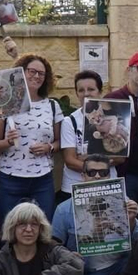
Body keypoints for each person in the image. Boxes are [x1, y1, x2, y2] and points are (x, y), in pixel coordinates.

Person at [49, 154, 138, 275]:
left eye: (103, 173)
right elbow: (53, 246)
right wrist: (69, 255)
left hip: (119, 264)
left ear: (110, 176)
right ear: (82, 176)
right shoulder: (64, 209)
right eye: (91, 173)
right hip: (89, 271)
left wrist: (132, 221)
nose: (97, 176)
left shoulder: (123, 202)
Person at [0, 54, 63, 225]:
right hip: (9, 179)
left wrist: (49, 147)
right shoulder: (4, 102)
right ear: (21, 72)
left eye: (41, 74)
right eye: (32, 71)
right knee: (9, 232)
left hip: (42, 180)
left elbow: (59, 142)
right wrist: (7, 142)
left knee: (43, 229)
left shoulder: (52, 105)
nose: (36, 76)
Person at [104, 52, 138, 228]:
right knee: (122, 225)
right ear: (129, 70)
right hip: (123, 174)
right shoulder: (113, 99)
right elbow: (102, 140)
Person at [59, 69, 103, 198]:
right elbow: (70, 161)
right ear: (77, 94)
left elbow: (119, 157)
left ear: (100, 92)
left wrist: (85, 158)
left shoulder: (113, 118)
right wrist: (101, 163)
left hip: (106, 186)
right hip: (75, 187)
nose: (86, 94)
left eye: (91, 89)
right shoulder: (69, 121)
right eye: (81, 90)